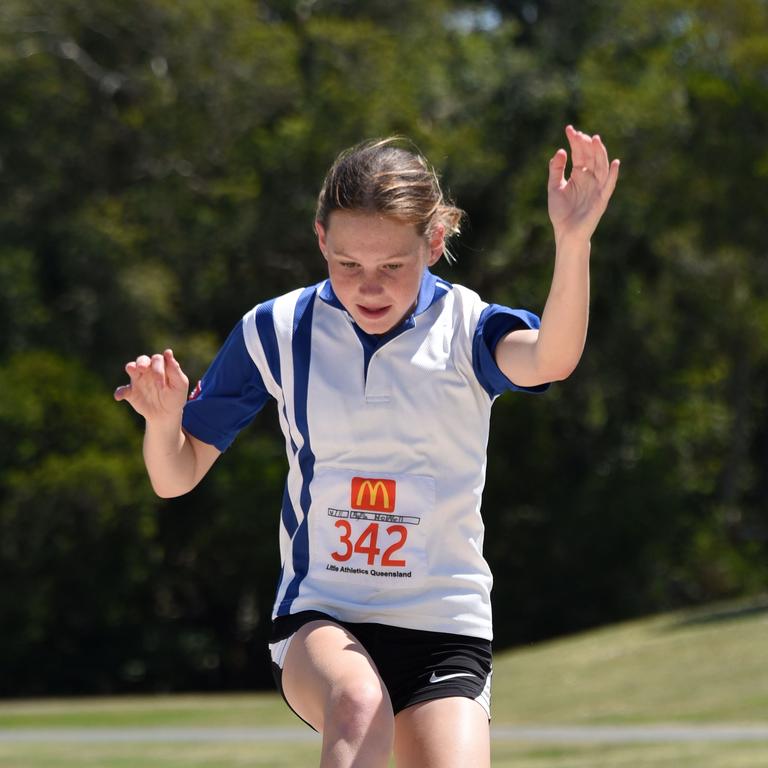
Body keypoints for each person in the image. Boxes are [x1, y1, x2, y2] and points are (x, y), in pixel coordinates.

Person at [115, 126, 619, 768]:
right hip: (324, 615)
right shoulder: (276, 331)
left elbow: (551, 358)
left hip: (444, 625)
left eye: (392, 266)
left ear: (434, 243)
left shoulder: (468, 330)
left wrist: (573, 242)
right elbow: (175, 477)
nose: (369, 287)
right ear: (321, 238)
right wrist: (163, 424)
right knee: (359, 702)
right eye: (348, 264)